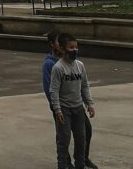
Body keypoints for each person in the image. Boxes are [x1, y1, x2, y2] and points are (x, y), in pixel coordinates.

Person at [49, 32, 96, 169]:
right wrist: (57, 110)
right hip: (64, 109)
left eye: (76, 47)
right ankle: (63, 165)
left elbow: (84, 86)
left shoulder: (80, 66)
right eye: (71, 47)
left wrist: (89, 104)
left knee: (81, 139)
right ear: (62, 48)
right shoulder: (58, 68)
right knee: (64, 140)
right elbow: (54, 90)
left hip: (78, 108)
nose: (74, 50)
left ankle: (80, 165)